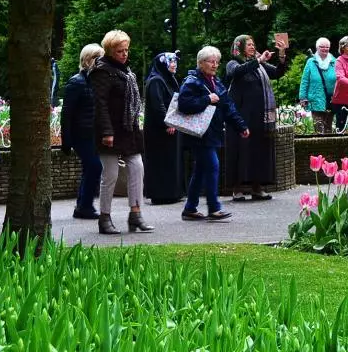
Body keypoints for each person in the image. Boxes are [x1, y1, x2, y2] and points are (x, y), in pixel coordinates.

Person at [89, 29, 153, 235]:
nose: (124, 54)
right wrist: (107, 132)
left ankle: (135, 214)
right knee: (110, 175)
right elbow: (101, 105)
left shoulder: (126, 71)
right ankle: (104, 217)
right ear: (109, 51)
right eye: (119, 51)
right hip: (110, 130)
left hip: (128, 128)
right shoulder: (101, 71)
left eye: (126, 50)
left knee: (137, 168)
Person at [178, 45, 248, 221]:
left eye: (217, 62)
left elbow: (228, 107)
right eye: (211, 61)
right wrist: (206, 99)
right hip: (199, 134)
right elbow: (184, 104)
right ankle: (214, 208)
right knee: (212, 166)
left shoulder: (216, 82)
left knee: (201, 170)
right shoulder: (192, 81)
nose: (215, 65)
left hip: (212, 132)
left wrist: (241, 126)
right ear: (201, 63)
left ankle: (190, 208)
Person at [225, 34, 288, 201]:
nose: (252, 47)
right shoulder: (234, 63)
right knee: (241, 150)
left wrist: (281, 55)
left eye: (253, 44)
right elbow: (237, 72)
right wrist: (259, 61)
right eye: (249, 44)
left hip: (259, 117)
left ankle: (257, 187)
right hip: (241, 115)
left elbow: (277, 73)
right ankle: (237, 188)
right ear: (240, 47)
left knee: (259, 150)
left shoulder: (259, 66)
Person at [61, 43, 103, 219]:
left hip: (92, 134)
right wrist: (66, 141)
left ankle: (83, 205)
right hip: (81, 135)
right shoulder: (77, 82)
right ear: (89, 60)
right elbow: (67, 114)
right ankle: (85, 205)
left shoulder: (96, 81)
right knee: (94, 166)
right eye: (99, 59)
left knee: (90, 168)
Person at [142, 51, 184, 205]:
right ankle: (161, 193)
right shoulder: (156, 81)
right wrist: (167, 123)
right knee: (161, 161)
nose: (174, 64)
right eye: (170, 61)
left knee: (170, 160)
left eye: (175, 61)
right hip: (159, 130)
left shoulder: (168, 79)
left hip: (169, 126)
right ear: (162, 63)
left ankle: (172, 192)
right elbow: (157, 105)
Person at [298, 38, 337, 134]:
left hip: (330, 99)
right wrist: (302, 97)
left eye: (327, 47)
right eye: (322, 46)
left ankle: (329, 148)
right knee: (319, 128)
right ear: (317, 48)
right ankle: (320, 148)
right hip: (315, 99)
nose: (325, 49)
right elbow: (305, 80)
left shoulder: (334, 62)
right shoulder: (311, 62)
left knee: (329, 128)